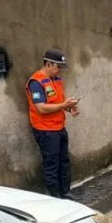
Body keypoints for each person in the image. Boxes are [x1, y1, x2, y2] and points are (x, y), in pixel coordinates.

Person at [26, 49, 79, 200]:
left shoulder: (56, 80)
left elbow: (59, 102)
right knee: (52, 164)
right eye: (58, 67)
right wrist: (64, 105)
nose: (59, 71)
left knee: (64, 162)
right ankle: (55, 198)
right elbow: (41, 108)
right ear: (48, 64)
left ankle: (66, 193)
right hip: (46, 131)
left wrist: (70, 107)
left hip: (59, 128)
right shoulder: (35, 82)